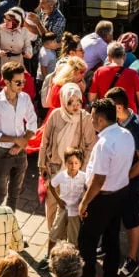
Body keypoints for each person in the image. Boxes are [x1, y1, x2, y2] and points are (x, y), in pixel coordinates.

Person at [78, 98, 135, 277]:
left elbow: (98, 180)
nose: (91, 121)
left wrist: (85, 203)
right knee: (112, 238)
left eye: (93, 117)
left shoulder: (104, 143)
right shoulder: (127, 134)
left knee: (88, 240)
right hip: (121, 193)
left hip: (102, 198)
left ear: (100, 119)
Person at [37, 81, 96, 235]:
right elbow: (45, 141)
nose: (76, 106)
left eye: (79, 102)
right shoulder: (56, 115)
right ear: (63, 101)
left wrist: (82, 170)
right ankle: (52, 237)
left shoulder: (86, 118)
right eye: (70, 102)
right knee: (52, 204)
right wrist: (42, 165)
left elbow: (90, 145)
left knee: (71, 208)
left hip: (75, 171)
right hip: (55, 167)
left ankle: (68, 241)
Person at [106, 87, 139, 277]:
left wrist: (126, 178)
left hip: (128, 183)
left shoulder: (137, 127)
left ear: (119, 106)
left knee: (131, 219)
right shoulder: (114, 121)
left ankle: (132, 258)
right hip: (113, 180)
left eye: (110, 107)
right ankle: (107, 247)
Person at [0, 62, 37, 212]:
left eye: (23, 81)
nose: (22, 85)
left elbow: (32, 122)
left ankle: (10, 225)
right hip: (1, 153)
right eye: (18, 82)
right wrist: (14, 140)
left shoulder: (25, 98)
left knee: (15, 194)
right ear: (6, 82)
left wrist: (22, 143)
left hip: (20, 153)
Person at [88, 41, 139, 111]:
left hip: (107, 116)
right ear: (124, 57)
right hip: (128, 116)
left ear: (109, 57)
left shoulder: (99, 72)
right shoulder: (133, 74)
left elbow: (91, 98)